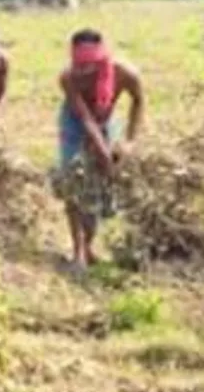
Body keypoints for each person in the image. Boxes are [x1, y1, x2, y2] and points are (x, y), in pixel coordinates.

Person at [52, 30, 145, 271]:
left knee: (99, 184)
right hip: (75, 123)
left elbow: (138, 101)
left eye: (90, 66)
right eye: (79, 65)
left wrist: (129, 141)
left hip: (107, 121)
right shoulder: (68, 78)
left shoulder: (126, 73)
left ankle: (89, 245)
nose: (84, 71)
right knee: (73, 179)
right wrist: (102, 151)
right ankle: (78, 251)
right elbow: (84, 118)